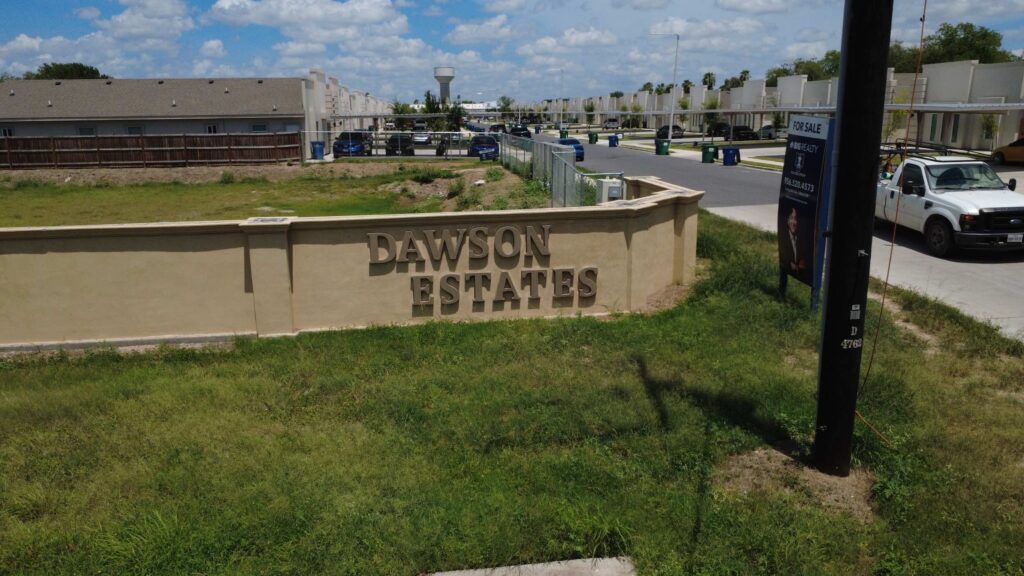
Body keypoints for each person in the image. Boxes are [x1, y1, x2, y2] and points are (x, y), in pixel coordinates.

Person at [780, 207, 807, 275]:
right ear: (787, 220)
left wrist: (802, 261)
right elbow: (782, 258)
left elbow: (802, 257)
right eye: (791, 218)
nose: (794, 222)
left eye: (795, 218)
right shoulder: (782, 237)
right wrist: (790, 265)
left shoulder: (799, 237)